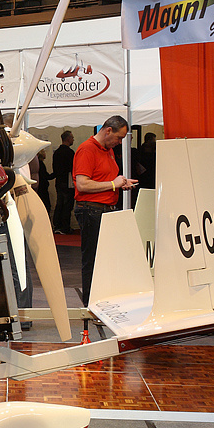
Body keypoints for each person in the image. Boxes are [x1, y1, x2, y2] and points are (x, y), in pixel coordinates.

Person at [73, 116, 136, 305]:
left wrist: (120, 184)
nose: (120, 142)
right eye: (119, 137)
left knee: (104, 260)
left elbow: (101, 180)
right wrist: (112, 184)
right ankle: (91, 303)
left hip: (103, 210)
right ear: (108, 131)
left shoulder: (106, 150)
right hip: (92, 210)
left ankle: (100, 301)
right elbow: (83, 185)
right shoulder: (87, 149)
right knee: (93, 260)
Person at [52, 131, 75, 234]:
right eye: (72, 138)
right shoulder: (70, 153)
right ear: (68, 139)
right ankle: (65, 227)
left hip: (59, 181)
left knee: (59, 203)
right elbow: (73, 168)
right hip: (68, 182)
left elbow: (55, 168)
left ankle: (57, 225)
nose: (73, 140)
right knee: (67, 205)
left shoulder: (56, 152)